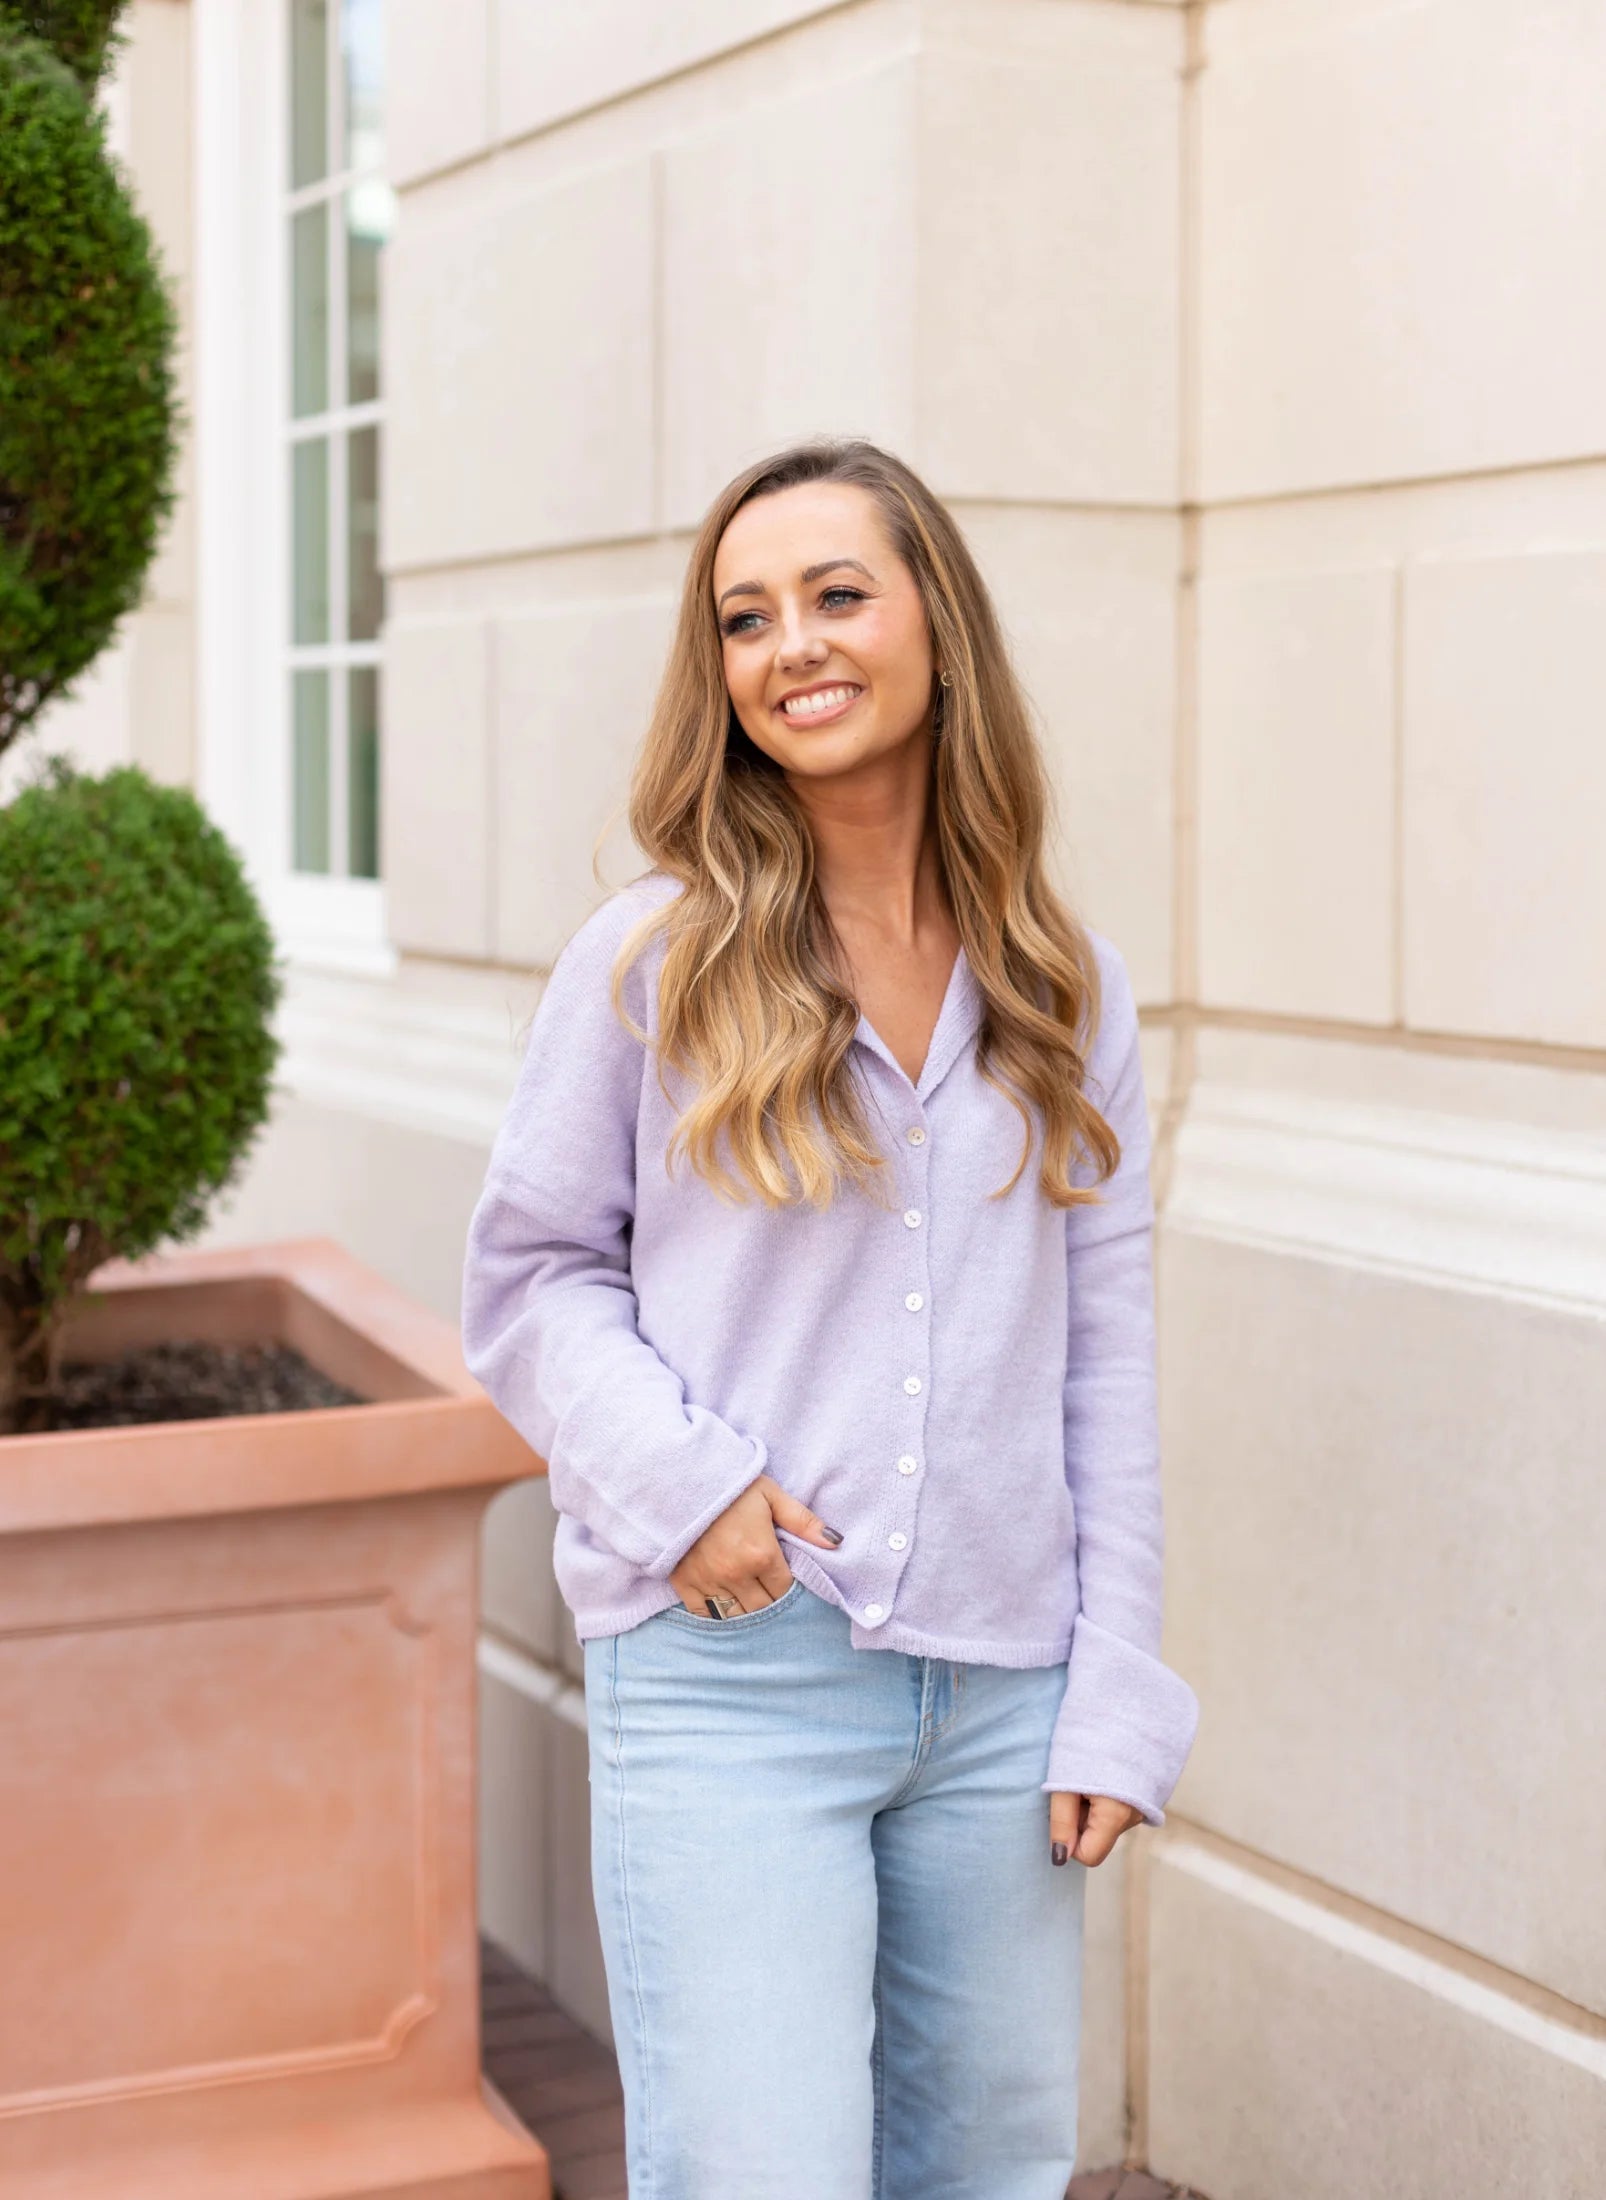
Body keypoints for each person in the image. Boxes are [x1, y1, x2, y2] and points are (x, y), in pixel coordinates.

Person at [461, 436, 1198, 2199]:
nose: (789, 643)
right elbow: (530, 1279)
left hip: (1008, 1689)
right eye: (744, 616)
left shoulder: (1057, 981)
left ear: (935, 623)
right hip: (736, 1673)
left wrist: (1116, 1688)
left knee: (986, 2174)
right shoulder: (651, 960)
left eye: (836, 595)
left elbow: (1105, 1356)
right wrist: (682, 1487)